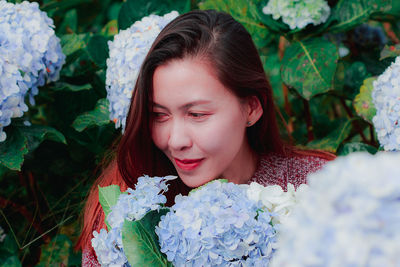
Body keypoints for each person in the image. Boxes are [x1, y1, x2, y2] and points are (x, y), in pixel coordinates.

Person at [77, 9, 335, 266]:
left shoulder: (320, 186)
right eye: (159, 115)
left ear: (251, 108)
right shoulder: (125, 216)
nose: (176, 140)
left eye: (197, 114)